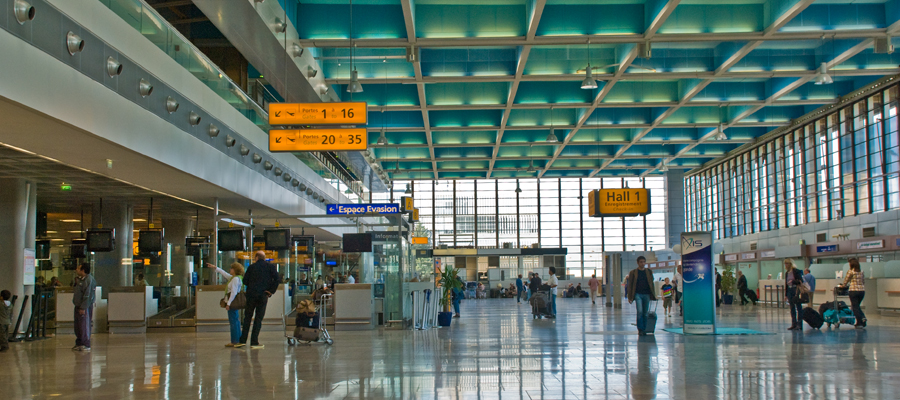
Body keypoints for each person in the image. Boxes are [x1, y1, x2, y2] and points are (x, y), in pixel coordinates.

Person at [239, 251, 280, 349]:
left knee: (247, 317)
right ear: (264, 258)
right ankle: (254, 342)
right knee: (258, 318)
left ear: (256, 257)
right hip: (263, 295)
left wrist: (253, 285)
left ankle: (243, 340)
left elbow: (245, 281)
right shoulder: (270, 267)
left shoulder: (251, 267)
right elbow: (277, 279)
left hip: (251, 295)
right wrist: (270, 291)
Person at [207, 262, 245, 347]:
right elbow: (224, 274)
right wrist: (215, 267)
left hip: (233, 301)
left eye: (231, 268)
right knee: (236, 320)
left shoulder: (235, 279)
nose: (230, 270)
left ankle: (235, 341)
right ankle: (239, 339)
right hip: (234, 301)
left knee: (233, 321)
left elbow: (234, 292)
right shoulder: (236, 278)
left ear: (235, 270)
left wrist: (229, 303)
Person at [626, 256, 656, 336]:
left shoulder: (649, 272)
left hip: (646, 294)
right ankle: (640, 329)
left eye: (644, 262)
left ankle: (644, 328)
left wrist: (653, 295)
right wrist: (630, 296)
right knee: (639, 311)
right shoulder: (633, 273)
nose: (642, 263)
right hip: (637, 294)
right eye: (641, 262)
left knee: (645, 313)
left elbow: (651, 283)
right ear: (638, 263)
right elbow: (630, 285)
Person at [73, 263, 96, 352]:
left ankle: (86, 343)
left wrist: (83, 307)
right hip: (78, 305)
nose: (76, 270)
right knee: (78, 325)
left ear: (83, 270)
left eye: (78, 268)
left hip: (84, 306)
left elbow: (88, 295)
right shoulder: (80, 280)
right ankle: (79, 342)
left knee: (84, 325)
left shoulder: (89, 280)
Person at [841, 258, 867, 329]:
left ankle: (860, 322)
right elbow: (863, 281)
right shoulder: (861, 271)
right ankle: (861, 320)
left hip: (853, 291)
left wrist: (842, 286)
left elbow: (846, 281)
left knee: (855, 307)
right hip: (862, 291)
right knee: (857, 306)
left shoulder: (850, 272)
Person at [783, 259, 805, 331]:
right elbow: (786, 284)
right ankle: (794, 324)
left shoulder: (796, 271)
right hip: (789, 290)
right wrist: (786, 294)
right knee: (792, 308)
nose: (786, 265)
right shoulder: (787, 273)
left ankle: (799, 324)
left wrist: (793, 281)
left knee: (798, 307)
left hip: (796, 290)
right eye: (785, 264)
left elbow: (800, 280)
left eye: (787, 264)